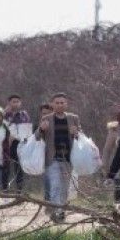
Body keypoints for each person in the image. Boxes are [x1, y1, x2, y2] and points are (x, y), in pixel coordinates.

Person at [36, 93, 82, 224]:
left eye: (62, 103)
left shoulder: (74, 118)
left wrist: (76, 133)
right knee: (55, 186)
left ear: (66, 104)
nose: (60, 105)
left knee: (64, 187)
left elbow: (81, 138)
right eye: (57, 103)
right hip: (52, 158)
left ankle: (61, 211)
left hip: (68, 159)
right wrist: (41, 129)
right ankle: (57, 212)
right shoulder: (46, 118)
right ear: (52, 104)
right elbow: (37, 137)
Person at [2, 94, 31, 193]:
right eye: (13, 101)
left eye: (17, 101)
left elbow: (26, 130)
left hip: (19, 143)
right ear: (9, 102)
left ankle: (19, 190)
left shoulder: (24, 115)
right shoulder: (4, 114)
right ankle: (4, 189)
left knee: (19, 167)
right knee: (6, 166)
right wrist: (5, 113)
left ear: (20, 103)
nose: (15, 104)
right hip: (6, 144)